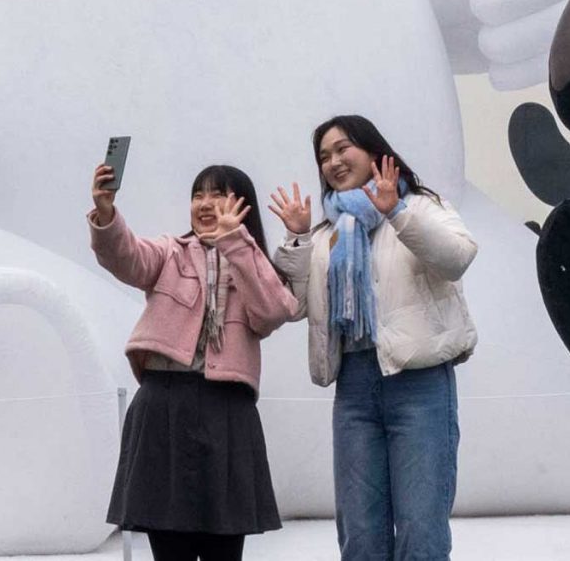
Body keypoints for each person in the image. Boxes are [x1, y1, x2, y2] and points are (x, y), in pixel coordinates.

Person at [270, 116, 477, 561]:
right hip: (355, 389)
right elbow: (297, 306)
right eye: (324, 156)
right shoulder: (328, 233)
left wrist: (395, 212)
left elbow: (457, 258)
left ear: (372, 150)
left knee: (421, 531)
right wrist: (297, 238)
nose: (333, 161)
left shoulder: (420, 206)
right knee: (360, 534)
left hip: (419, 384)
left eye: (343, 148)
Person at [90, 160, 302, 561]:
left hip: (228, 409)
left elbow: (274, 311)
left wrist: (236, 244)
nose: (205, 203)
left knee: (224, 549)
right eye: (198, 194)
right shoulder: (170, 252)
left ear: (242, 206)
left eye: (218, 194)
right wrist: (105, 213)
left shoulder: (255, 262)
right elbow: (126, 257)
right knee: (170, 550)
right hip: (162, 404)